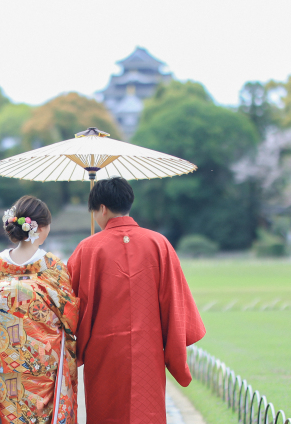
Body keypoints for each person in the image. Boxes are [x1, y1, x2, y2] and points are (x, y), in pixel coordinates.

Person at [67, 177, 206, 424]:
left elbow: (70, 304)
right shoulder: (159, 243)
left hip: (104, 354)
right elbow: (175, 301)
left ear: (102, 208)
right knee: (146, 412)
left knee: (105, 413)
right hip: (148, 352)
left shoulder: (87, 248)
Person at [0, 195, 79, 424]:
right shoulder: (52, 267)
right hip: (42, 367)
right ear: (40, 228)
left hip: (4, 364)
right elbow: (70, 318)